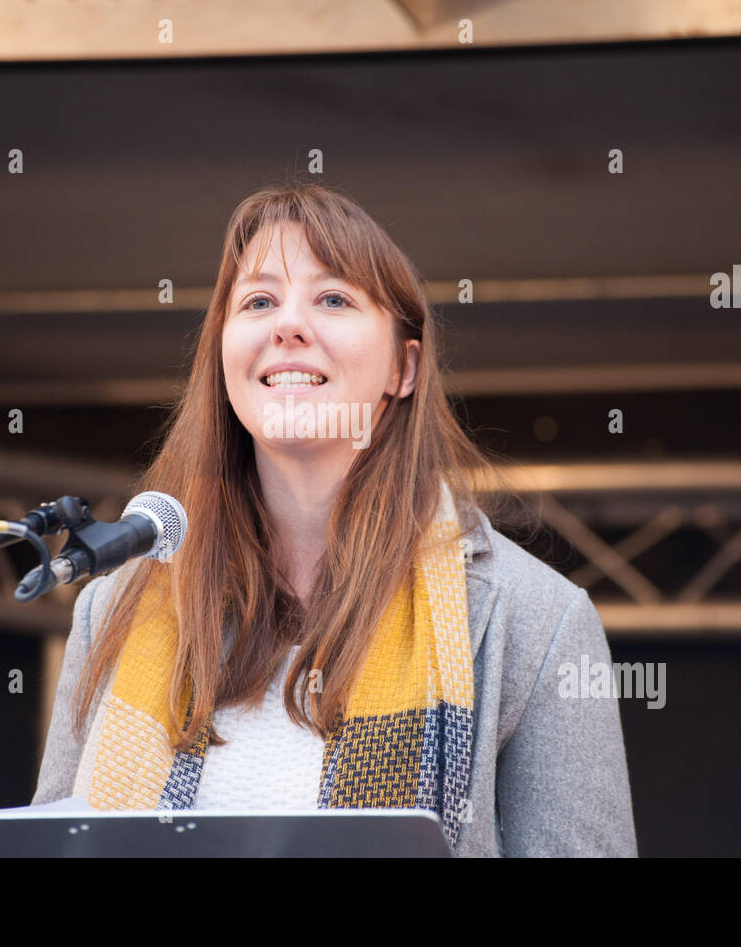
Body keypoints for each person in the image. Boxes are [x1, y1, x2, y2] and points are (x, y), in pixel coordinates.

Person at [32, 182, 638, 856]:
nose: (287, 325)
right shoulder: (112, 607)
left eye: (333, 298)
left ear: (405, 368)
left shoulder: (537, 622)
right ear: (223, 357)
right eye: (258, 301)